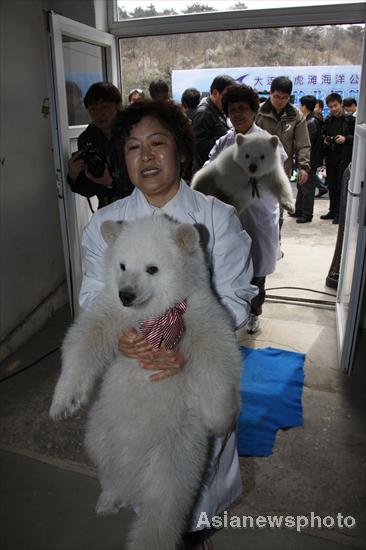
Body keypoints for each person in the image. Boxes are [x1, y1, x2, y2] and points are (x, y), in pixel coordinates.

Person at [79, 99, 257, 549]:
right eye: (134, 147)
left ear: (181, 152)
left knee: (193, 492)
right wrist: (122, 338)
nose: (147, 156)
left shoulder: (216, 220)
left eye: (158, 143)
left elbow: (237, 298)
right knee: (146, 481)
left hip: (195, 375)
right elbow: (91, 299)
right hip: (135, 379)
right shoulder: (105, 223)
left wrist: (185, 341)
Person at [206, 84, 287, 334]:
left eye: (243, 109)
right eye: (232, 110)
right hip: (229, 217)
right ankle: (231, 310)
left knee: (256, 270)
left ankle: (253, 312)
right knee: (229, 267)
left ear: (253, 111)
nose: (237, 114)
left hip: (257, 216)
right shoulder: (224, 141)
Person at [67, 82, 134, 210]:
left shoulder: (134, 133)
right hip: (108, 210)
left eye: (105, 107)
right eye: (93, 109)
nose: (99, 113)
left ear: (118, 105)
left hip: (142, 209)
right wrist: (74, 175)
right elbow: (89, 190)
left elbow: (151, 181)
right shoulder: (87, 139)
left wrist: (111, 183)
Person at [256, 76, 311, 229]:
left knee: (277, 213)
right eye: (276, 97)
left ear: (290, 96)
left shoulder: (296, 115)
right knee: (257, 212)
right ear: (270, 93)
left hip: (282, 172)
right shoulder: (257, 112)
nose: (280, 101)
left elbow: (303, 143)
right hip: (258, 171)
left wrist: (304, 166)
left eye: (284, 98)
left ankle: (276, 246)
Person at [320, 93, 355, 224]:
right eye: (330, 107)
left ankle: (341, 215)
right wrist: (326, 140)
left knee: (342, 187)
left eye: (335, 105)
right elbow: (323, 135)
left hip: (345, 158)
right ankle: (332, 210)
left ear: (341, 104)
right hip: (331, 157)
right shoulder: (327, 120)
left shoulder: (351, 120)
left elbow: (357, 138)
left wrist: (345, 139)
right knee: (332, 186)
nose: (333, 109)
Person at [191, 74, 236, 173]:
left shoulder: (218, 109)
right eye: (227, 95)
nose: (230, 99)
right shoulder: (203, 113)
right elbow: (200, 147)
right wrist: (227, 137)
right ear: (215, 93)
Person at [293, 95, 324, 223]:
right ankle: (299, 210)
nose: (300, 108)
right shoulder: (312, 119)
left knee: (307, 188)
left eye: (301, 105)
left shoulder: (311, 123)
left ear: (305, 106)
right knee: (301, 185)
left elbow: (306, 144)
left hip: (309, 160)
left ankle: (307, 214)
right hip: (307, 160)